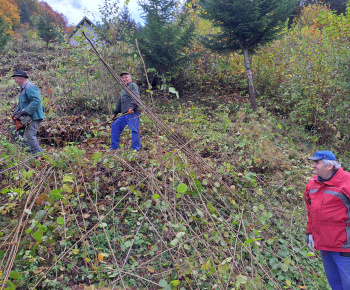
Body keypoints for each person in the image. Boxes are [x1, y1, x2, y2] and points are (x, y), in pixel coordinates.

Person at [304, 150, 350, 289]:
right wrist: (310, 232)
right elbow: (310, 211)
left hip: (344, 247)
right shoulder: (312, 183)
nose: (313, 166)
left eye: (316, 162)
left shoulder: (347, 181)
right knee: (335, 284)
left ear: (329, 166)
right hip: (324, 245)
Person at [11, 70, 44, 154]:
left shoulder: (30, 87)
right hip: (26, 117)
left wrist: (25, 111)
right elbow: (22, 104)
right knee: (15, 132)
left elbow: (36, 101)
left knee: (29, 135)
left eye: (16, 79)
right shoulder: (23, 88)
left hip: (33, 116)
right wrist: (16, 113)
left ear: (21, 78)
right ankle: (28, 152)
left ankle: (39, 156)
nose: (15, 81)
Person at [108, 72, 141, 152]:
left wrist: (132, 107)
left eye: (126, 77)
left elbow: (136, 97)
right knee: (115, 126)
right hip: (124, 114)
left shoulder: (133, 86)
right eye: (122, 78)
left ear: (130, 79)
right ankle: (114, 147)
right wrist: (115, 113)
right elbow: (119, 103)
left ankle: (135, 149)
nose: (124, 79)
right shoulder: (123, 90)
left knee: (135, 130)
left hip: (132, 113)